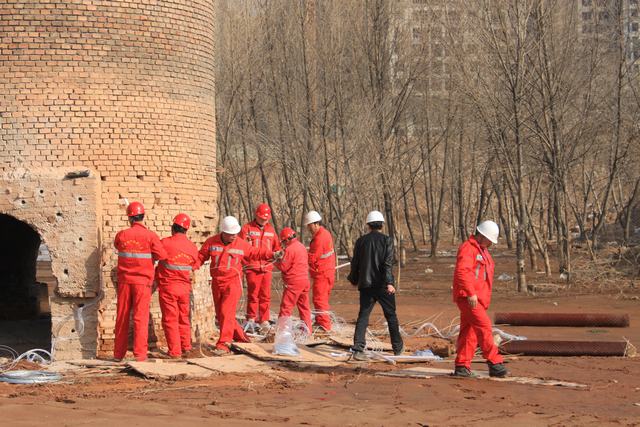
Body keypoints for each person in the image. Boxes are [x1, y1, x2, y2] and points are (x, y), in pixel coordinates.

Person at [199, 216, 280, 354]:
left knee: (226, 312)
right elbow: (201, 256)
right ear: (223, 232)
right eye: (231, 234)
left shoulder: (241, 244)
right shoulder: (211, 242)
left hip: (233, 283)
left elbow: (256, 252)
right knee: (222, 315)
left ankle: (223, 344)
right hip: (217, 283)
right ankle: (241, 338)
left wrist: (272, 254)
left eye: (235, 233)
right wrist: (191, 266)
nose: (234, 236)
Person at [452, 220, 508, 378]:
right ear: (482, 236)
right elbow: (462, 272)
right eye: (490, 240)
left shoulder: (482, 251)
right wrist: (470, 293)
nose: (491, 244)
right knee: (484, 328)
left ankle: (462, 366)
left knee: (469, 332)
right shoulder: (468, 248)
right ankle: (494, 363)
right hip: (469, 298)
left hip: (477, 299)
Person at [113, 201, 168, 362]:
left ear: (129, 218)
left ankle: (118, 354)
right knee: (140, 318)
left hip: (124, 282)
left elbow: (117, 246)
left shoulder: (122, 235)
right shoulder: (150, 236)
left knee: (122, 317)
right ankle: (140, 355)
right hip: (142, 282)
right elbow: (162, 256)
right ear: (143, 216)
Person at [347, 211, 403, 361]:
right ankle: (397, 348)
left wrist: (353, 279)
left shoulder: (361, 241)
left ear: (368, 225)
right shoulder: (387, 240)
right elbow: (387, 263)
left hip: (366, 285)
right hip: (383, 285)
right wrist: (390, 283)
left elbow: (355, 263)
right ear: (382, 225)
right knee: (391, 316)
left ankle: (358, 348)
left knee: (363, 316)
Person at [155, 213, 200, 359]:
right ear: (186, 230)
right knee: (184, 318)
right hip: (185, 289)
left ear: (173, 227)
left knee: (170, 319)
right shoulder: (192, 247)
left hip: (168, 287)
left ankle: (175, 352)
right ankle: (186, 346)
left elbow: (155, 255)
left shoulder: (165, 243)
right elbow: (195, 265)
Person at [239, 203, 281, 332]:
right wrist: (246, 265)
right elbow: (241, 248)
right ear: (256, 215)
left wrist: (277, 255)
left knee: (265, 296)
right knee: (253, 295)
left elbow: (276, 247)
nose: (264, 220)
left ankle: (264, 320)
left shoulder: (271, 230)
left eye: (266, 219)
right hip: (252, 267)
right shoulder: (247, 229)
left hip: (266, 268)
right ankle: (251, 318)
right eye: (262, 218)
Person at [274, 227, 312, 333]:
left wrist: (275, 260)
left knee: (286, 307)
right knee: (304, 307)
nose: (283, 244)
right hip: (305, 280)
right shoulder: (301, 246)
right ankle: (307, 330)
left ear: (286, 239)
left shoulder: (290, 249)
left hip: (294, 282)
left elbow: (284, 267)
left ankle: (282, 332)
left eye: (283, 242)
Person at [305, 210, 336, 331]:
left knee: (319, 300)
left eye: (309, 225)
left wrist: (299, 255)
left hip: (322, 273)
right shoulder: (324, 233)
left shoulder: (320, 238)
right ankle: (320, 321)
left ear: (316, 224)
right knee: (322, 299)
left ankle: (324, 326)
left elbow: (313, 257)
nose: (308, 228)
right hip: (326, 272)